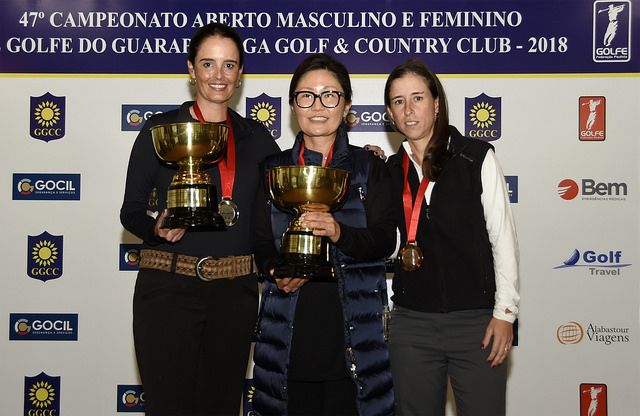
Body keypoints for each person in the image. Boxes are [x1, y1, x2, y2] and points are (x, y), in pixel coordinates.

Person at [120, 22, 280, 415]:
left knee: (222, 407)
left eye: (229, 65)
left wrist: (362, 158)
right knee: (169, 407)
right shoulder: (160, 130)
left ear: (240, 74)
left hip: (235, 294)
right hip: (168, 289)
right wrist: (154, 226)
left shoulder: (256, 138)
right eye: (208, 64)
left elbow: (292, 184)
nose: (218, 76)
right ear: (191, 69)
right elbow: (131, 211)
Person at [251, 53, 396, 416]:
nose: (318, 106)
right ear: (292, 105)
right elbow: (258, 242)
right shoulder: (273, 169)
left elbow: (384, 240)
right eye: (306, 96)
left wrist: (339, 231)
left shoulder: (369, 167)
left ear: (346, 105)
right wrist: (276, 272)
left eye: (329, 95)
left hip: (353, 337)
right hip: (287, 334)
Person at [384, 59, 520, 416]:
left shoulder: (476, 157)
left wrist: (505, 313)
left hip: (477, 324)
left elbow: (503, 240)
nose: (409, 110)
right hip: (411, 326)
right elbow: (389, 243)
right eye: (399, 101)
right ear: (389, 112)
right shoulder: (387, 173)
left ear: (437, 103)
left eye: (418, 98)